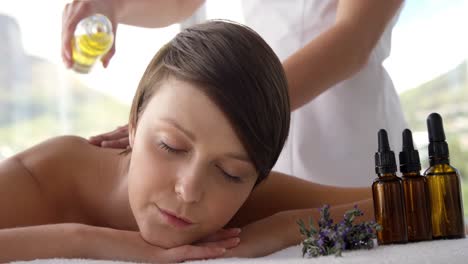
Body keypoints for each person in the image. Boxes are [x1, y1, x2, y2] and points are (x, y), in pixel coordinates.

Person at [1, 20, 373, 263]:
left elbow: (408, 198)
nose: (190, 189)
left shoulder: (244, 195)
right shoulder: (48, 176)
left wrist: (281, 227)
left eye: (229, 172)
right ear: (133, 123)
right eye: (170, 146)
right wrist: (84, 242)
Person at [62, 0, 408, 188]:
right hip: (242, 135)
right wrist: (112, 5)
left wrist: (217, 117)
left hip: (343, 138)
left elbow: (353, 41)